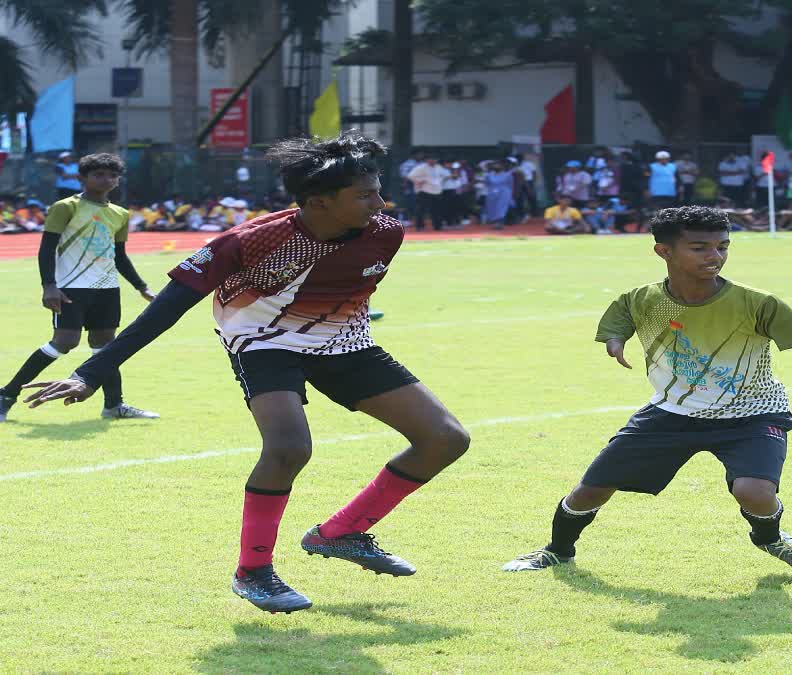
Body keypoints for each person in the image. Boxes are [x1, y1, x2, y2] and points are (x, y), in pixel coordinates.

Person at [20, 133, 471, 614]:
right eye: (364, 195)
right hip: (263, 340)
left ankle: (342, 531)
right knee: (289, 447)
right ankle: (253, 572)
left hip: (342, 341)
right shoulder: (251, 241)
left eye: (377, 190)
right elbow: (165, 312)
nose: (380, 202)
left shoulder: (385, 231)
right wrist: (90, 373)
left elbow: (341, 283)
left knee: (445, 438)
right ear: (319, 202)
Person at [501, 205, 792, 574]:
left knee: (755, 492)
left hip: (752, 413)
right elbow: (620, 321)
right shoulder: (641, 299)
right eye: (699, 247)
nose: (714, 256)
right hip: (672, 412)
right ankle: (558, 550)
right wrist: (616, 341)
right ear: (664, 251)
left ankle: (771, 539)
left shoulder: (757, 302)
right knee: (592, 488)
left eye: (722, 246)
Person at [0, 153, 158, 423]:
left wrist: (141, 287)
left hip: (108, 288)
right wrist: (48, 285)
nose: (106, 179)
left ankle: (114, 405)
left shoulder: (120, 214)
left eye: (112, 175)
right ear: (81, 178)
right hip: (71, 287)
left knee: (106, 347)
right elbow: (47, 247)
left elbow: (118, 255)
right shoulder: (66, 207)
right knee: (65, 342)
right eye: (98, 174)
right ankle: (6, 395)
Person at [406, 155, 448, 230]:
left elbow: (446, 175)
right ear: (427, 160)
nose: (433, 161)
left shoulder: (438, 167)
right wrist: (419, 181)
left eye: (434, 159)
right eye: (431, 159)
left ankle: (437, 226)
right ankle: (419, 226)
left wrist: (441, 181)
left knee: (436, 210)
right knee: (421, 210)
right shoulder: (421, 167)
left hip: (437, 191)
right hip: (424, 191)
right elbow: (410, 176)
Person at [483, 160, 514, 229]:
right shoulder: (488, 175)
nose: (497, 166)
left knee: (501, 208)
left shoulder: (507, 174)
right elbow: (487, 184)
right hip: (492, 193)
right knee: (492, 208)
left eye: (498, 165)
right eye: (495, 165)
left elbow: (510, 184)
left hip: (504, 193)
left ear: (502, 166)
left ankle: (500, 223)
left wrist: (510, 194)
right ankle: (495, 223)